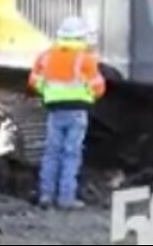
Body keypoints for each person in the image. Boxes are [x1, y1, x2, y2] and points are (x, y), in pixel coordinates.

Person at [27, 16, 106, 209]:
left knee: (52, 152)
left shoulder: (46, 56)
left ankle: (46, 195)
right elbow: (98, 88)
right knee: (71, 154)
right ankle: (66, 198)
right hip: (77, 112)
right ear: (81, 37)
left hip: (55, 110)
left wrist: (49, 92)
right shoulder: (85, 59)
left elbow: (33, 82)